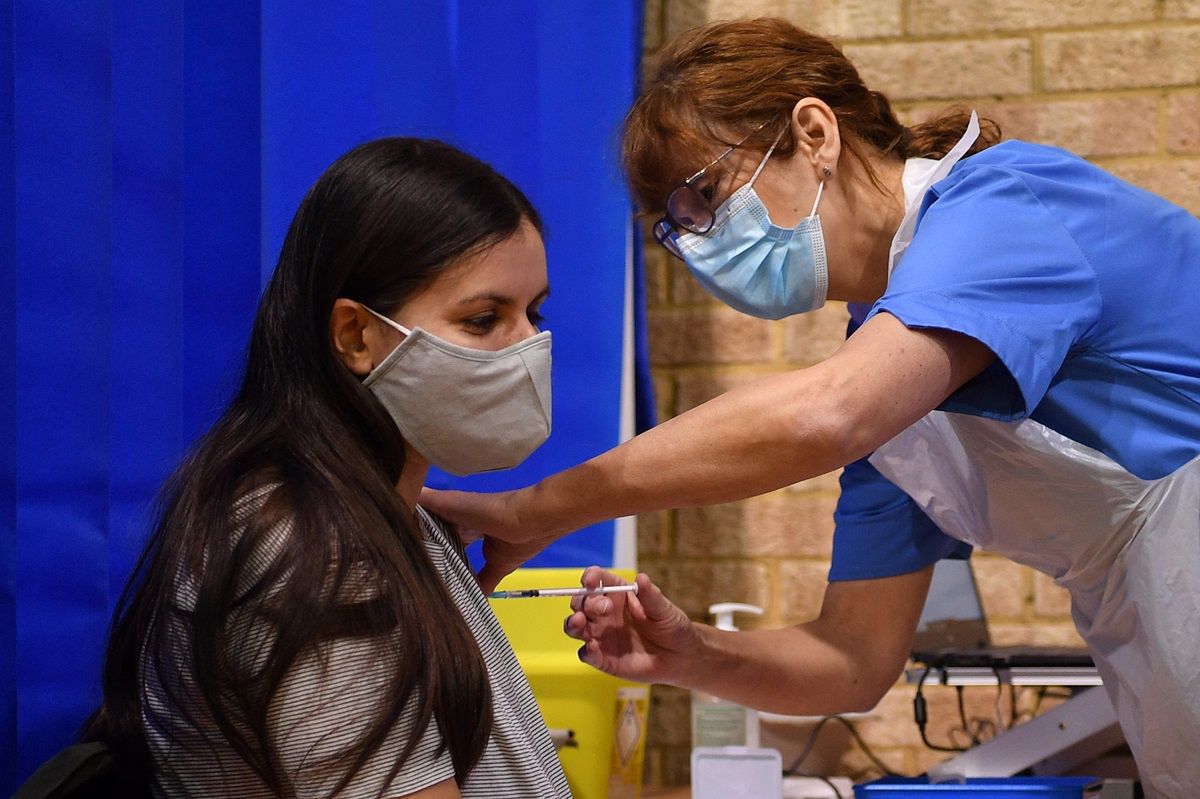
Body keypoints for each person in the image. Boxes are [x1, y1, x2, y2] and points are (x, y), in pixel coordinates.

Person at [420, 18, 1200, 797]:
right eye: (677, 227)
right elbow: (853, 658)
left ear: (814, 131)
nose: (698, 245)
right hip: (1157, 662)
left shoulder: (1001, 208)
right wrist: (690, 651)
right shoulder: (899, 391)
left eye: (707, 196)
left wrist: (540, 506)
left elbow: (829, 414)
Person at [84, 138, 571, 798]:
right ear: (356, 336)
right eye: (484, 318)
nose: (528, 349)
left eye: (533, 313)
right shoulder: (312, 557)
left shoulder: (390, 514)